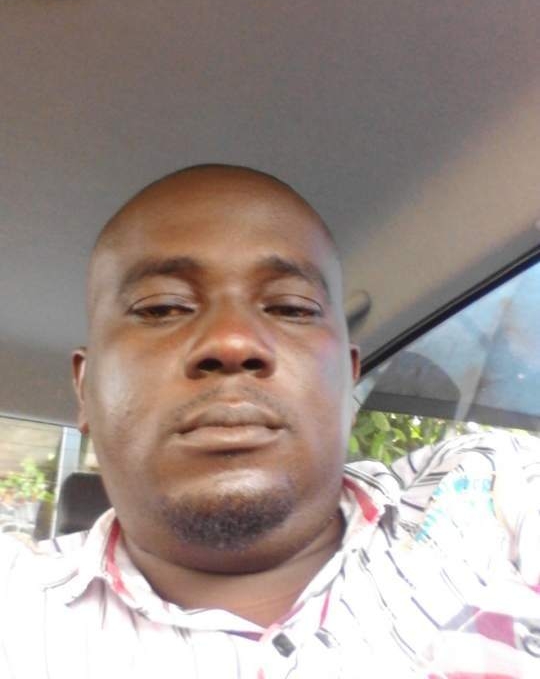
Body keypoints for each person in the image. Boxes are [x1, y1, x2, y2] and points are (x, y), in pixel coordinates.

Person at [1, 164, 539, 678]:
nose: (232, 341)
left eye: (291, 308)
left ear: (349, 379)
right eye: (162, 306)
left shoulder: (492, 498)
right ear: (85, 388)